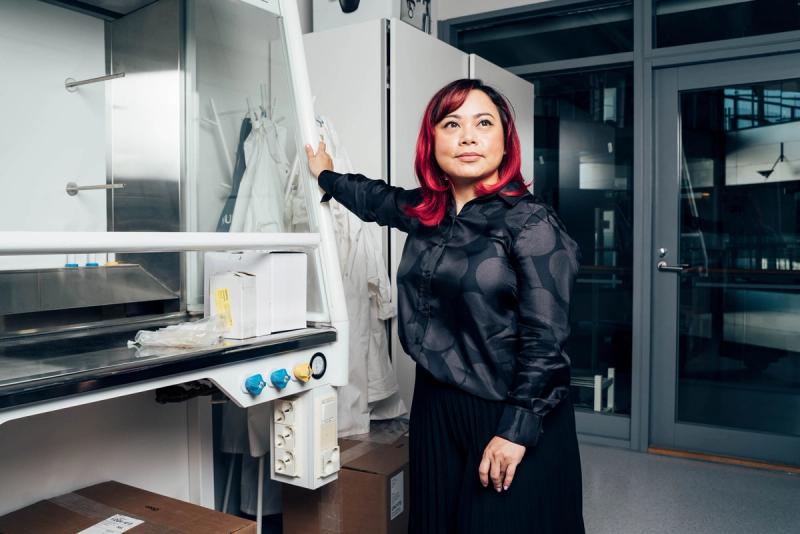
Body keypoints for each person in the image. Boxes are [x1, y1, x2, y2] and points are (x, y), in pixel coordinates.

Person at [305, 79, 585, 534]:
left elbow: (546, 341)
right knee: (436, 522)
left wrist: (517, 429)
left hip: (508, 407)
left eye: (483, 123)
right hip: (436, 403)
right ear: (432, 141)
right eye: (451, 123)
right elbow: (375, 198)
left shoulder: (531, 223)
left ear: (504, 139)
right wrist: (325, 176)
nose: (468, 136)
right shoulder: (427, 212)